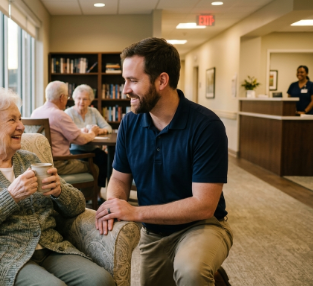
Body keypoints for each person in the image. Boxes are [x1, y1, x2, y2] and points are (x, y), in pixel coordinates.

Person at [95, 37, 233, 286]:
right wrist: (115, 203)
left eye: (133, 81)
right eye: (125, 80)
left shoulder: (206, 126)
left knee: (191, 271)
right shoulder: (129, 123)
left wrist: (134, 211)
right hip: (155, 231)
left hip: (201, 225)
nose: (125, 89)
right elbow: (118, 177)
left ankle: (204, 271)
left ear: (162, 80)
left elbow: (204, 205)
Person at [0, 87, 114, 286]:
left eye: (20, 119)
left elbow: (76, 206)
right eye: (12, 120)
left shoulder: (29, 159)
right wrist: (10, 196)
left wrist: (60, 191)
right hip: (4, 257)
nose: (22, 127)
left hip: (51, 248)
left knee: (101, 281)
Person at [31, 81, 100, 176]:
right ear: (62, 97)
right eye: (67, 97)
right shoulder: (60, 115)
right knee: (95, 168)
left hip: (38, 164)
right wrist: (92, 132)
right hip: (59, 164)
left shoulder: (35, 113)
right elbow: (81, 140)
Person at [65, 84, 112, 188]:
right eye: (79, 98)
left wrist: (99, 131)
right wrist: (80, 131)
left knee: (106, 159)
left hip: (92, 149)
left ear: (90, 100)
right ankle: (86, 191)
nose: (81, 102)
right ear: (74, 99)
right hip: (75, 150)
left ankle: (98, 192)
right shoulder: (68, 113)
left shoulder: (93, 111)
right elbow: (66, 134)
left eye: (85, 99)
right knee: (93, 163)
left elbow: (108, 127)